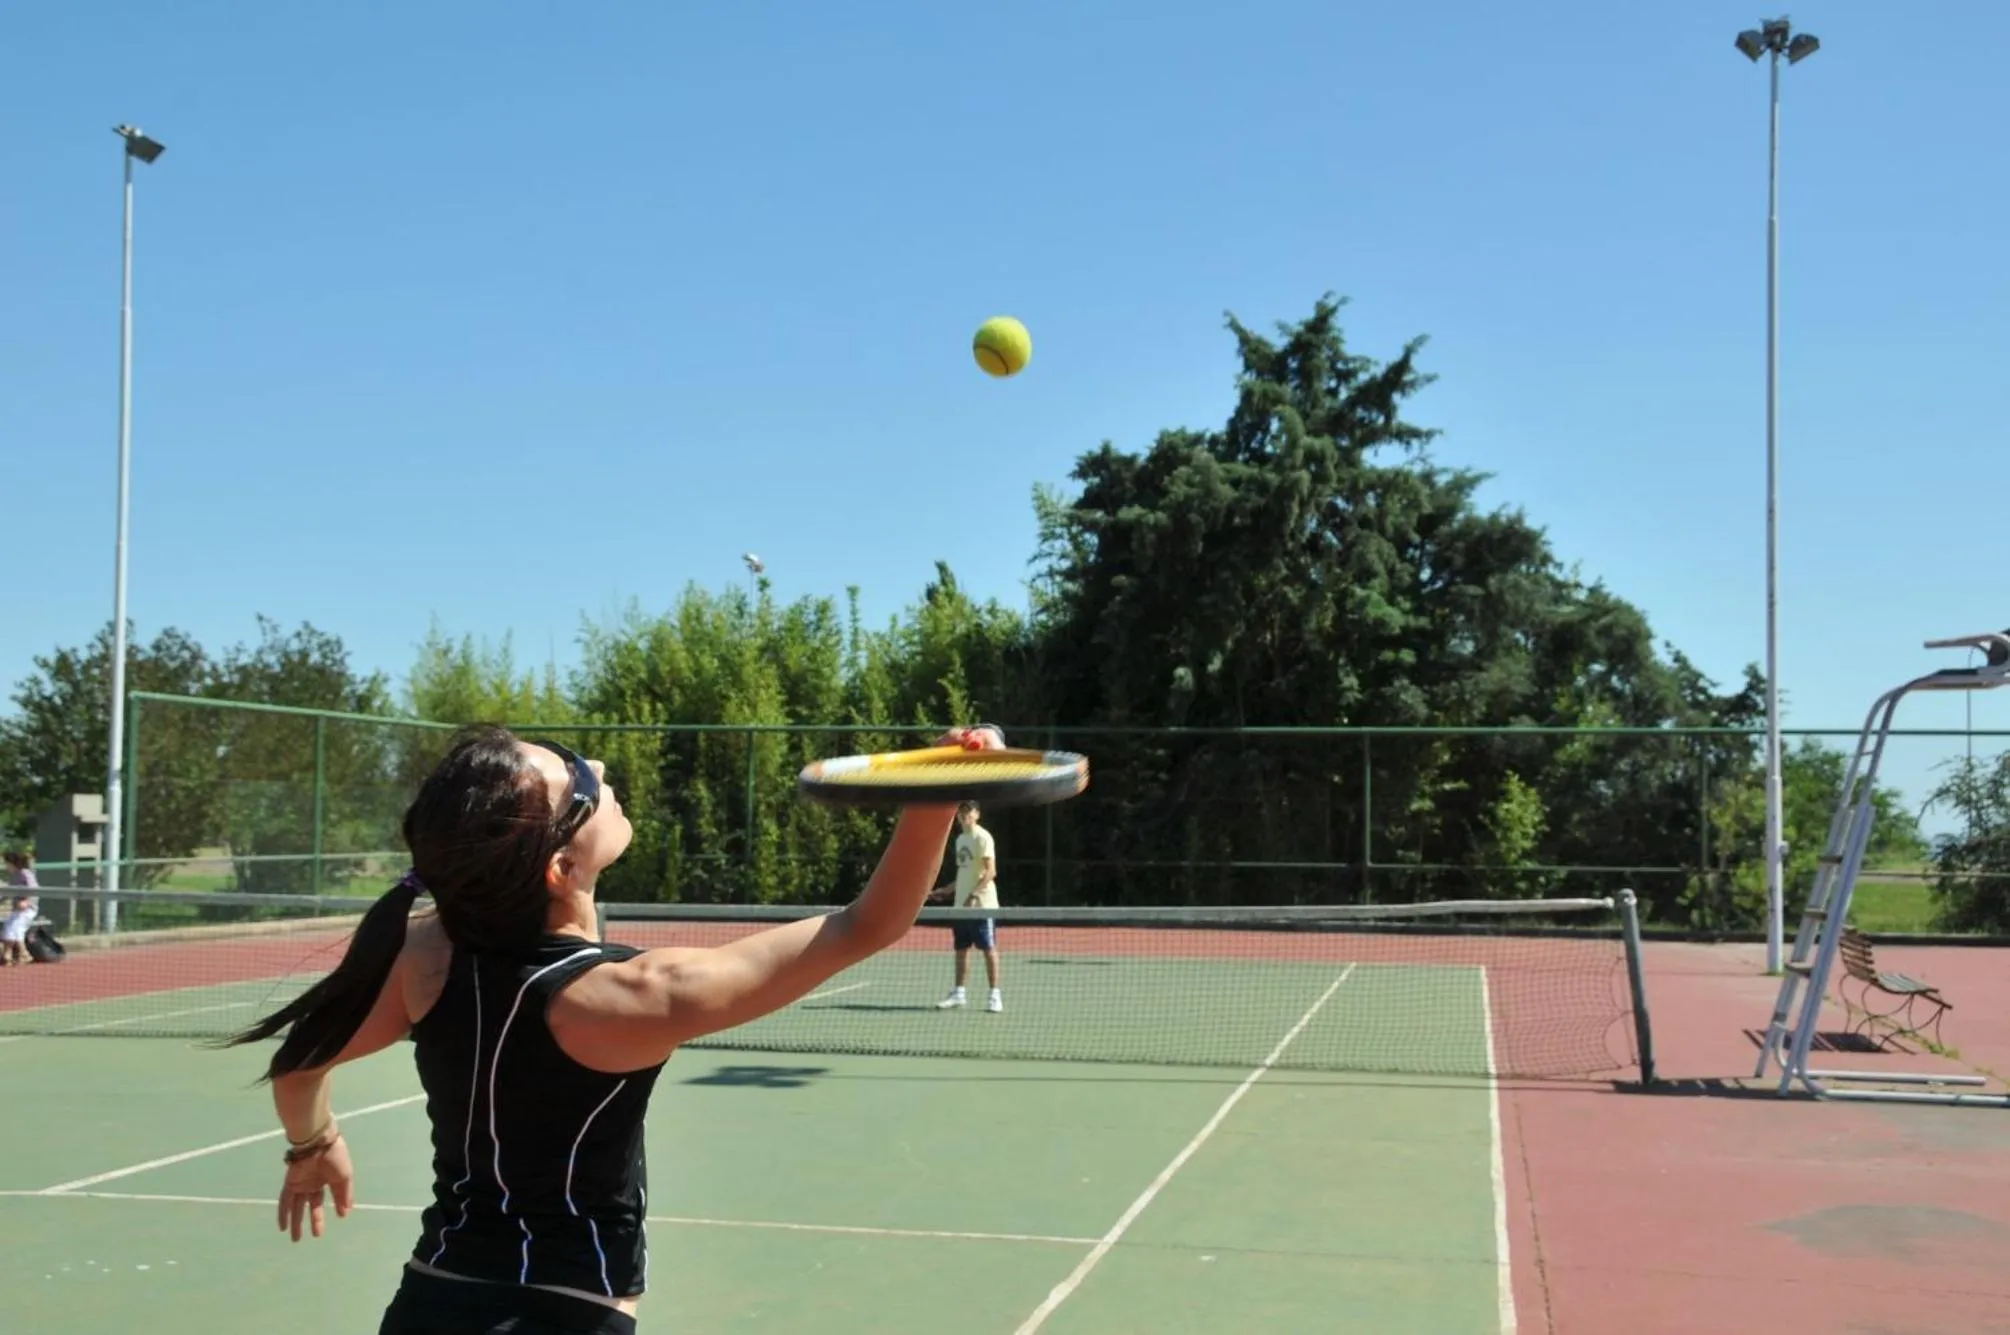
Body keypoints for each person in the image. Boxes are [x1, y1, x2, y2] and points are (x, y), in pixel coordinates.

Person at [225, 722, 1000, 1334]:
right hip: (568, 1311)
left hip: (430, 1297)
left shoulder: (424, 952)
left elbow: (298, 1066)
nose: (597, 765)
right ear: (561, 867)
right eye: (579, 780)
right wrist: (935, 793)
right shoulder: (632, 997)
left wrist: (312, 1146)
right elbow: (866, 924)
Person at [933, 801, 1002, 1014]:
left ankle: (995, 996)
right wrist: (946, 890)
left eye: (968, 812)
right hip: (960, 907)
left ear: (977, 815)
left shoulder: (983, 837)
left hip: (982, 906)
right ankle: (959, 994)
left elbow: (990, 872)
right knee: (961, 949)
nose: (964, 816)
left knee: (988, 949)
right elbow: (965, 873)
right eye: (961, 812)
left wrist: (973, 895)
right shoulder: (960, 840)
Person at [1, 851, 38, 968]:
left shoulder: (25, 873)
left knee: (17, 928)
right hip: (16, 910)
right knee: (8, 928)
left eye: (6, 864)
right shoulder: (14, 876)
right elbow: (8, 893)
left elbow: (34, 890)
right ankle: (7, 956)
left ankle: (24, 954)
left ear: (12, 863)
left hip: (28, 910)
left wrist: (27, 902)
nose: (6, 866)